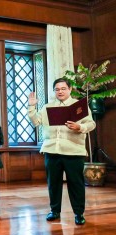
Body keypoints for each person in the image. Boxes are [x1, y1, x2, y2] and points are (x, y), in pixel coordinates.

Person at [27, 78, 96, 225]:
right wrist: (31, 107)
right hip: (52, 150)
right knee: (53, 183)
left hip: (73, 151)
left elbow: (91, 123)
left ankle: (79, 213)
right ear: (54, 91)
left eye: (63, 88)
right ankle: (54, 211)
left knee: (75, 183)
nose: (60, 91)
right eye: (57, 89)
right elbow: (36, 122)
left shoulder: (79, 106)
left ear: (70, 89)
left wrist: (80, 127)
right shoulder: (47, 107)